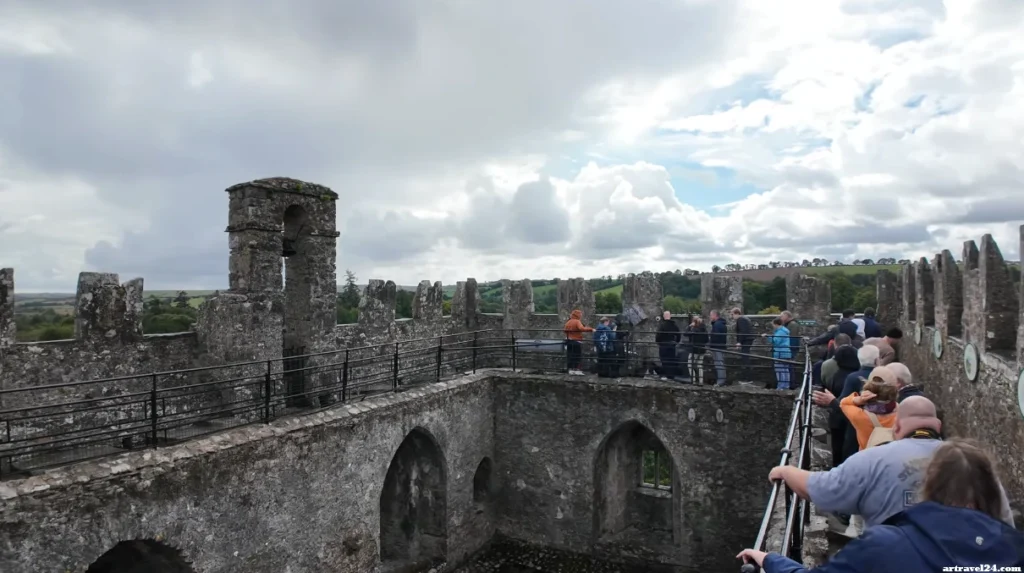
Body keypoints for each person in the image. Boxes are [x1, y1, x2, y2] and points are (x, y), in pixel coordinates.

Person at [739, 439, 1024, 572]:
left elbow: (823, 489)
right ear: (992, 489)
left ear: (929, 486)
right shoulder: (1015, 549)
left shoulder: (887, 545)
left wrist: (771, 560)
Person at [761, 397, 1015, 533]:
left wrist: (785, 470)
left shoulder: (872, 459)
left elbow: (820, 489)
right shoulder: (973, 465)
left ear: (897, 427)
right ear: (937, 426)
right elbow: (1004, 522)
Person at [816, 344, 860, 468]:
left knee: (838, 449)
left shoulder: (839, 376)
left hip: (838, 418)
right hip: (852, 420)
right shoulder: (856, 376)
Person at [764, 318, 793, 390]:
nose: (773, 326)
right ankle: (786, 386)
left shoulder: (780, 332)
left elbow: (776, 341)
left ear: (776, 324)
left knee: (780, 370)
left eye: (773, 324)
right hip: (786, 352)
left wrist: (768, 337)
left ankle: (781, 387)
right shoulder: (785, 331)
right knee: (785, 370)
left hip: (780, 353)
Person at [563, 309, 594, 375]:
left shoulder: (568, 322)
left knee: (570, 355)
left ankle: (570, 369)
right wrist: (591, 329)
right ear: (578, 315)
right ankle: (577, 370)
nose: (581, 316)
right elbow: (581, 328)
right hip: (576, 341)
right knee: (577, 355)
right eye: (580, 314)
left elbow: (565, 330)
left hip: (569, 340)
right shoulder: (577, 321)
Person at [655, 311, 682, 381]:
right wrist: (676, 342)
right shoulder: (674, 325)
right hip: (672, 345)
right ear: (670, 316)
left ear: (664, 317)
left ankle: (666, 375)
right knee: (671, 361)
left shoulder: (662, 325)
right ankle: (671, 376)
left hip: (664, 345)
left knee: (664, 361)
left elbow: (658, 336)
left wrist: (659, 342)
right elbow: (679, 334)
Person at [685, 316, 709, 385]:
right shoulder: (704, 330)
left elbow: (685, 333)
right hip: (702, 350)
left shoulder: (694, 330)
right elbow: (707, 340)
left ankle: (693, 380)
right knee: (699, 365)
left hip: (694, 350)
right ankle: (701, 381)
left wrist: (689, 326)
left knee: (690, 364)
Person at [732, 307, 754, 380]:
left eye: (733, 314)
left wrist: (739, 342)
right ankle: (747, 376)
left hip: (746, 340)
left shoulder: (741, 320)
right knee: (745, 356)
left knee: (745, 357)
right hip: (748, 339)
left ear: (737, 313)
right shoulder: (744, 319)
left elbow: (742, 332)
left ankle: (747, 377)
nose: (732, 316)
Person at [708, 310, 728, 386]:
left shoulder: (717, 325)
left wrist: (711, 342)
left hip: (717, 346)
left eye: (711, 315)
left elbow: (716, 336)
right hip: (721, 346)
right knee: (720, 363)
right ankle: (722, 380)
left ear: (715, 315)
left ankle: (721, 381)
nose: (710, 317)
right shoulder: (722, 324)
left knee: (719, 363)